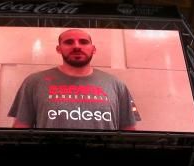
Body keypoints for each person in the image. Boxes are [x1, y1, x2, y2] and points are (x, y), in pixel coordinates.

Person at [9, 29, 141, 131]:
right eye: (69, 42)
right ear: (58, 49)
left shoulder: (116, 84)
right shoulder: (34, 82)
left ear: (93, 49)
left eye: (84, 42)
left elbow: (128, 129)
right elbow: (21, 126)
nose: (77, 46)